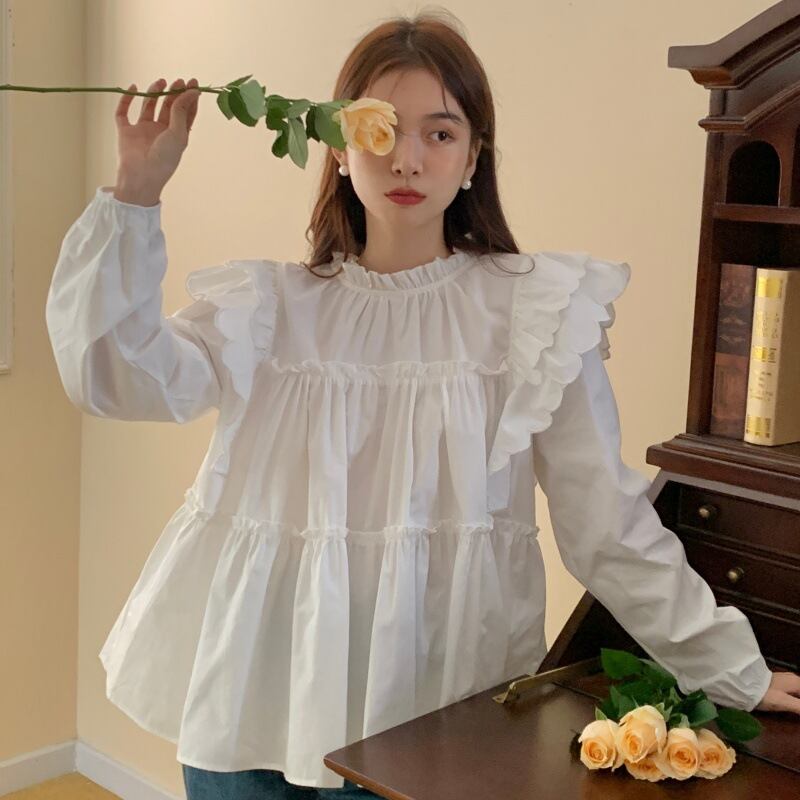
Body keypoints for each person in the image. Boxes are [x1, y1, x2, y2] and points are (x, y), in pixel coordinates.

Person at [44, 9, 799, 800]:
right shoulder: (266, 310)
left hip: (433, 713)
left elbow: (602, 519)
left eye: (440, 133)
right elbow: (114, 377)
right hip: (253, 705)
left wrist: (727, 665)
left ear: (474, 157)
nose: (407, 157)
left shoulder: (532, 315)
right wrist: (135, 197)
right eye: (379, 129)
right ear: (337, 147)